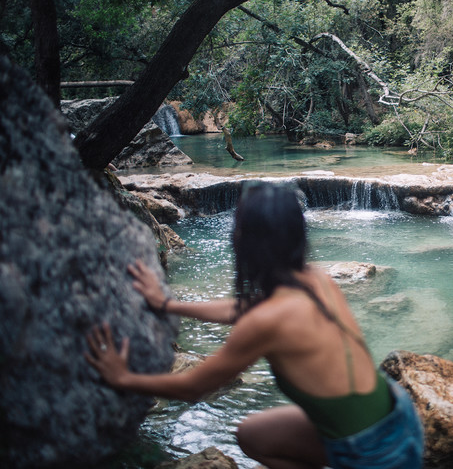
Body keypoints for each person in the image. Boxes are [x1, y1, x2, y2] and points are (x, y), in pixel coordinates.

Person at [85, 182, 424, 469]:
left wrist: (123, 377)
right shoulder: (316, 280)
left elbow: (191, 387)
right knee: (253, 434)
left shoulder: (267, 321)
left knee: (256, 436)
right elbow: (246, 308)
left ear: (245, 241)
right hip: (396, 415)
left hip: (377, 451)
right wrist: (166, 303)